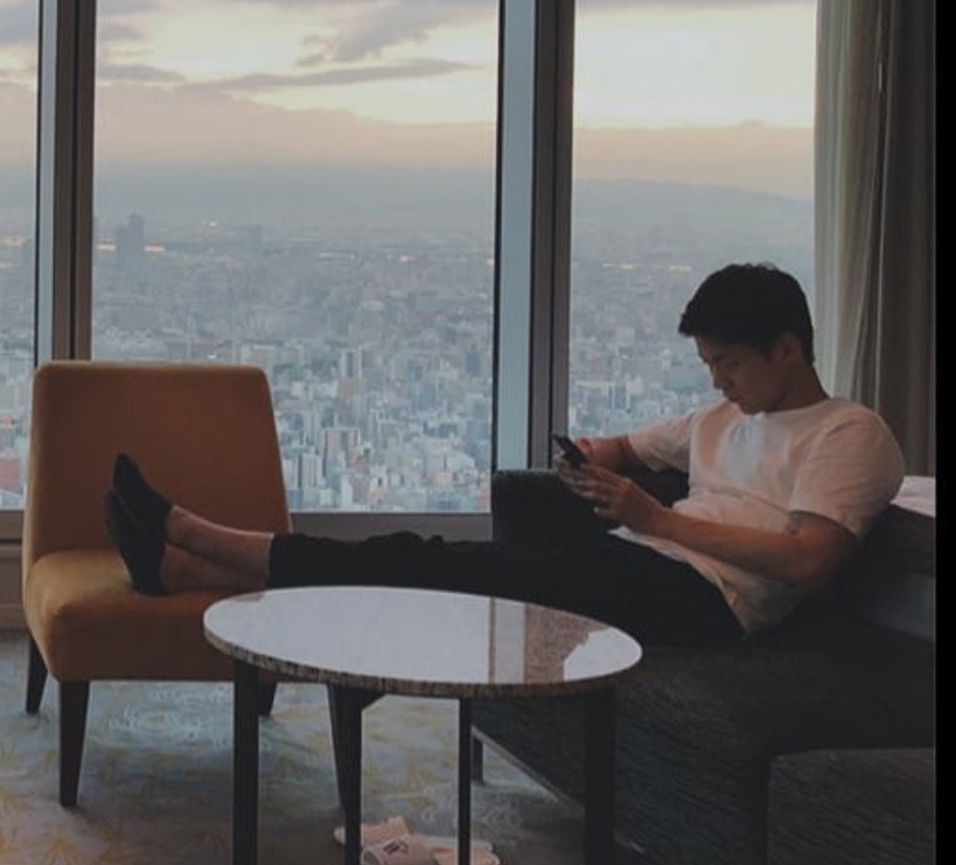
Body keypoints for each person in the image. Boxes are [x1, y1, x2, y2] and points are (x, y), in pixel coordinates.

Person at [103, 263, 905, 646]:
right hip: (633, 563)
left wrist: (657, 518)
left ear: (787, 349)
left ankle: (195, 536)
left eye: (729, 363)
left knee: (433, 567)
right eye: (709, 366)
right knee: (431, 565)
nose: (719, 381)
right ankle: (186, 566)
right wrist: (588, 458)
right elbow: (623, 446)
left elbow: (809, 559)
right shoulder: (719, 416)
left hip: (704, 602)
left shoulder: (849, 433)